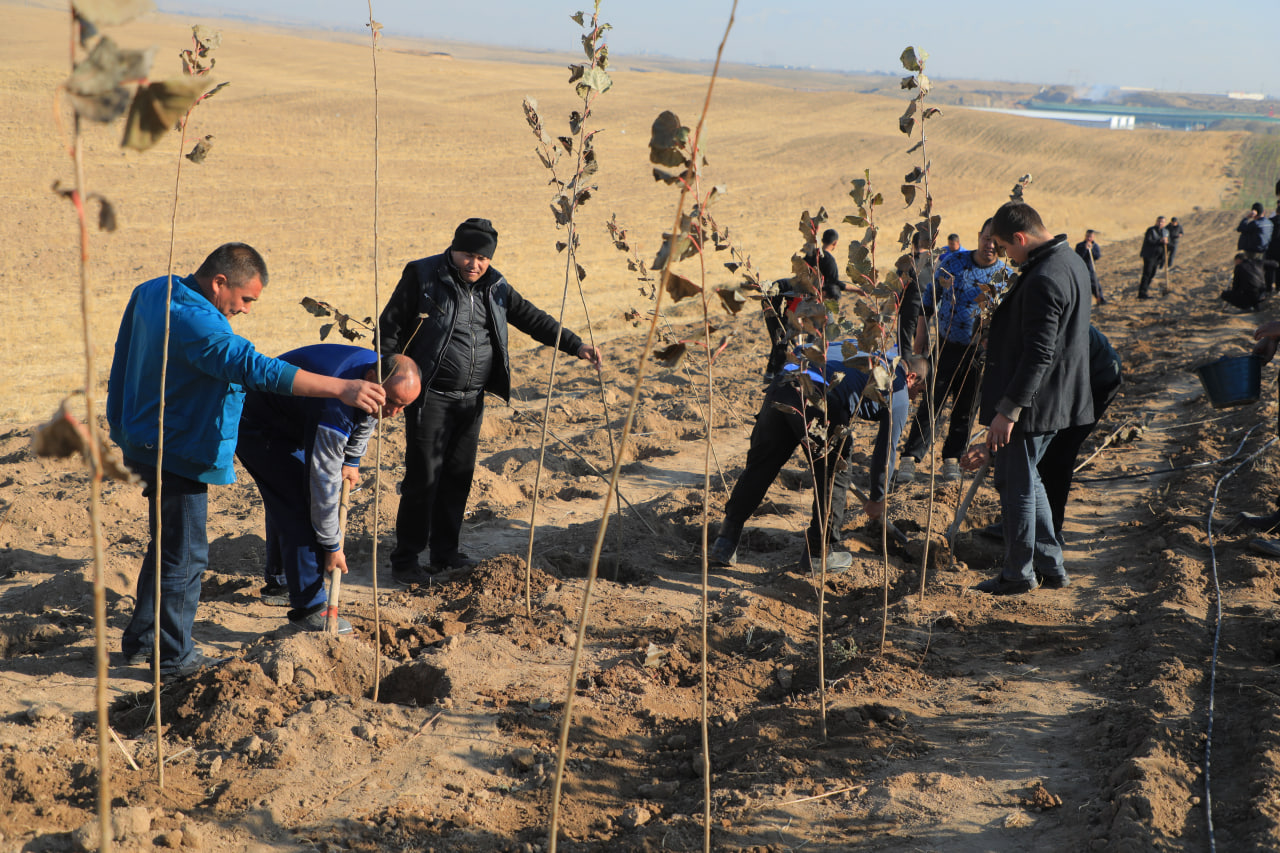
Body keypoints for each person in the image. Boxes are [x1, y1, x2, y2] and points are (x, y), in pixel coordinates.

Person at [107, 243, 387, 677]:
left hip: (142, 432)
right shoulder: (198, 324)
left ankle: (143, 641)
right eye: (245, 299)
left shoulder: (155, 290)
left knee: (168, 546)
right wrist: (341, 388)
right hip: (174, 446)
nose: (247, 309)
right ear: (219, 282)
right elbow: (256, 368)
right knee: (187, 556)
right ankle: (175, 658)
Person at [379, 218, 603, 584]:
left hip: (471, 401)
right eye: (467, 255)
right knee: (423, 479)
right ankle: (405, 561)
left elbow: (531, 318)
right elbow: (389, 328)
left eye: (482, 258)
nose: (474, 264)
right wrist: (389, 380)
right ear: (454, 250)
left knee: (458, 477)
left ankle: (445, 554)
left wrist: (575, 344)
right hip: (430, 397)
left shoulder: (496, 286)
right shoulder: (423, 276)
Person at [237, 347, 421, 633]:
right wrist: (332, 547)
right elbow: (322, 488)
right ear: (371, 378)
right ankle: (309, 607)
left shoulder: (375, 381)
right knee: (297, 505)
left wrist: (352, 460)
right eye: (393, 403)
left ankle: (281, 581)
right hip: (258, 425)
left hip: (294, 418)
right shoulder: (336, 408)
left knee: (288, 497)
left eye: (404, 406)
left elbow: (368, 416)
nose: (395, 413)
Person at [959, 201, 1092, 595]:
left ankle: (1018, 574)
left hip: (1034, 404)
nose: (1005, 256)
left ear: (1020, 237)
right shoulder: (1071, 261)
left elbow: (1039, 353)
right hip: (1057, 399)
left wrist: (1008, 410)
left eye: (1005, 247)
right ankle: (1051, 566)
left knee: (1015, 484)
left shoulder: (1044, 277)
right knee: (1030, 479)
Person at [708, 354, 927, 571]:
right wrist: (878, 498)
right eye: (918, 391)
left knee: (760, 467)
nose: (915, 399)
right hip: (819, 397)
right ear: (911, 377)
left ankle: (724, 542)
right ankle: (818, 555)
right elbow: (886, 449)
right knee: (835, 474)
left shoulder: (871, 358)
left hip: (785, 384)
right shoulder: (898, 391)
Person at [983, 325, 1122, 544]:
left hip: (1094, 378)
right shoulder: (1011, 331)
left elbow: (1034, 389)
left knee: (1058, 454)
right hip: (1065, 375)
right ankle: (1023, 525)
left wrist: (995, 445)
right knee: (1037, 454)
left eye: (985, 344)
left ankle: (1047, 533)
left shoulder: (1031, 336)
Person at [898, 220, 1009, 484]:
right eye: (986, 238)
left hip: (977, 354)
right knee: (931, 402)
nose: (990, 245)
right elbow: (929, 300)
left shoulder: (1004, 276)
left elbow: (1005, 319)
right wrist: (921, 336)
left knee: (966, 408)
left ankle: (952, 459)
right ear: (979, 236)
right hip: (946, 345)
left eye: (995, 241)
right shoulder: (954, 262)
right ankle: (910, 458)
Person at [804, 228, 846, 302]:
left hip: (803, 295)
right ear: (835, 243)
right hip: (819, 298)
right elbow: (834, 283)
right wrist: (856, 290)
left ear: (822, 240)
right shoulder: (829, 260)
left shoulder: (811, 254)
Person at [1137, 216, 1168, 300]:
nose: (1160, 223)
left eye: (1162, 222)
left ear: (1164, 223)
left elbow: (1169, 244)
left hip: (1158, 257)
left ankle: (1145, 291)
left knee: (1152, 274)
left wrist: (1167, 242)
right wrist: (1160, 241)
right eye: (1159, 221)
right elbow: (1149, 240)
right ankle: (1142, 293)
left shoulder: (1165, 232)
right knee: (1147, 273)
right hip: (1149, 255)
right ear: (1156, 222)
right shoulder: (1151, 230)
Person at [1075, 230, 1105, 305]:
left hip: (1091, 268)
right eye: (1087, 236)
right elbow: (1078, 256)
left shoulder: (1095, 246)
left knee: (1095, 284)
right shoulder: (1079, 245)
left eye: (1090, 236)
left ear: (1093, 237)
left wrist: (1091, 250)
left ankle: (1100, 299)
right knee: (1081, 286)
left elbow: (1097, 256)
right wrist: (1085, 249)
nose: (1088, 238)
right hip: (1081, 269)